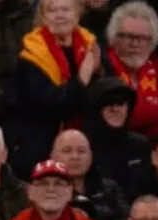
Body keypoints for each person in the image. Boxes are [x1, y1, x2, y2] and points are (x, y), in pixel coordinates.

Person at [6, 0, 102, 180]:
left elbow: (102, 93)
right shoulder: (31, 56)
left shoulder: (90, 46)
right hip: (40, 142)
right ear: (43, 16)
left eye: (65, 9)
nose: (59, 15)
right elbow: (51, 105)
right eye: (52, 10)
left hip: (86, 135)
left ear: (77, 14)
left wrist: (97, 73)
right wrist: (82, 79)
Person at [101, 1, 158, 138]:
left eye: (142, 38)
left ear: (153, 42)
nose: (135, 44)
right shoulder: (101, 69)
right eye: (128, 36)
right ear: (114, 37)